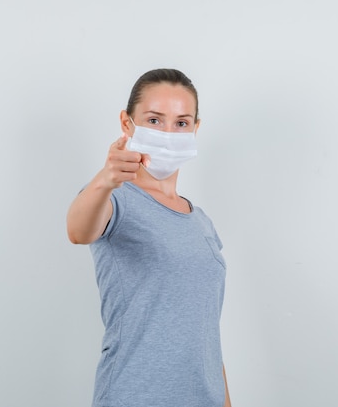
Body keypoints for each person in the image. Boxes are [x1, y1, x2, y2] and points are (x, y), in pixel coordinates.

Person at [67, 69, 231, 407]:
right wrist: (105, 178)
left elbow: (206, 335)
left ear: (195, 128)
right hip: (137, 394)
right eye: (155, 120)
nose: (169, 132)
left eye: (181, 123)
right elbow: (78, 231)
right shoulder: (115, 199)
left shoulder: (200, 222)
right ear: (128, 124)